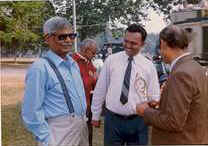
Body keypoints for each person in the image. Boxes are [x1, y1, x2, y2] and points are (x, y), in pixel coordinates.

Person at [21, 16, 88, 146]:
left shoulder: (73, 64)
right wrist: (47, 139)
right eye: (62, 37)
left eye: (71, 35)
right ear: (47, 38)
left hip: (80, 126)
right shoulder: (40, 68)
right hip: (58, 132)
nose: (68, 40)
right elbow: (31, 110)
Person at [136, 25, 208, 144]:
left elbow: (173, 121)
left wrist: (145, 111)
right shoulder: (197, 67)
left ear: (163, 44)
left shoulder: (181, 74)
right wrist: (163, 102)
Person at [91, 24, 160, 146]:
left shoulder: (149, 66)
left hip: (138, 122)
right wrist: (95, 115)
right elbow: (100, 89)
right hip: (113, 121)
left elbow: (154, 96)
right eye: (126, 41)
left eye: (133, 43)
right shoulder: (111, 61)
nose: (128, 46)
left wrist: (150, 113)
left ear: (143, 44)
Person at [72, 39, 97, 146]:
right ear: (86, 50)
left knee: (87, 136)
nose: (95, 55)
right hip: (74, 110)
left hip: (88, 108)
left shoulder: (90, 64)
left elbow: (95, 82)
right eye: (93, 52)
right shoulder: (72, 61)